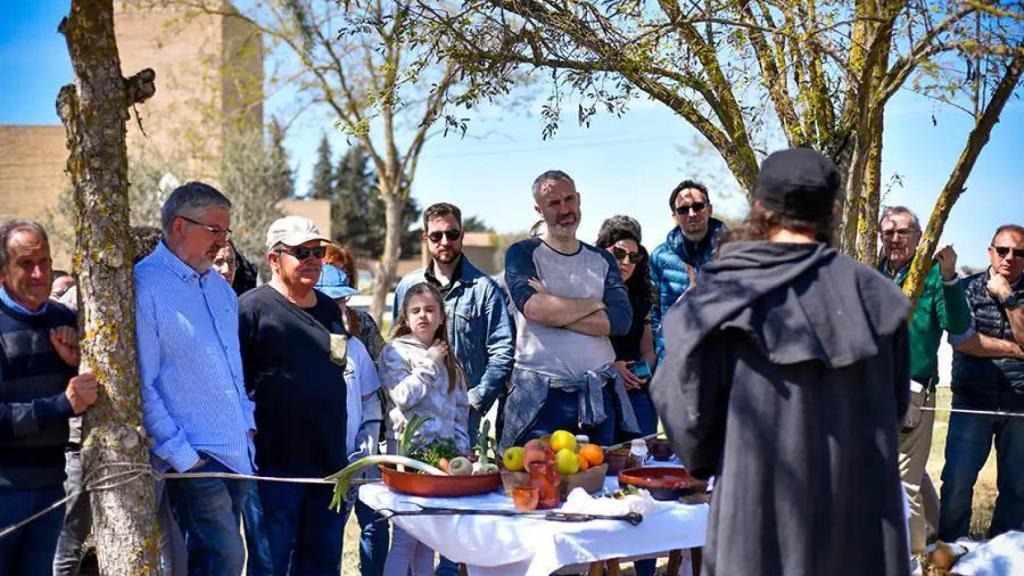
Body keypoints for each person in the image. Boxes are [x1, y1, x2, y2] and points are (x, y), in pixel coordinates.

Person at [652, 148, 911, 576]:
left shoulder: (720, 296)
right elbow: (893, 410)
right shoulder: (876, 296)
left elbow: (686, 414)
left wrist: (714, 459)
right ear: (832, 212)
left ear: (760, 209)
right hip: (856, 515)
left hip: (755, 515)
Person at [135, 182, 255, 576]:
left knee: (218, 561)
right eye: (214, 230)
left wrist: (247, 424)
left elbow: (233, 370)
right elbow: (144, 383)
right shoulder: (144, 285)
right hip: (194, 456)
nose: (223, 243)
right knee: (225, 558)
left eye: (226, 232)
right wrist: (183, 456)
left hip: (237, 450)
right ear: (179, 226)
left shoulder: (221, 290)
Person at [54, 226, 180, 576]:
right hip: (81, 439)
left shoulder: (155, 301)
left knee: (155, 533)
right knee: (69, 536)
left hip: (144, 440)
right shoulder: (82, 301)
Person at [238, 216, 349, 576]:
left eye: (318, 252)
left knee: (322, 566)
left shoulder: (330, 309)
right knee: (271, 567)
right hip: (274, 471)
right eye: (302, 252)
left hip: (329, 466)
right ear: (274, 259)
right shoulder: (250, 309)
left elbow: (336, 369)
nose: (314, 259)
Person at [501, 170, 637, 450]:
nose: (564, 209)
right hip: (541, 399)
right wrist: (596, 303)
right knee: (538, 474)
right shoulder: (522, 254)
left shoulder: (602, 259)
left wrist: (554, 306)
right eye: (553, 203)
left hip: (598, 393)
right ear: (539, 210)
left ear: (579, 199)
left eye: (569, 199)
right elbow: (535, 309)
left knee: (601, 475)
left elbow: (620, 321)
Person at [0, 219, 96, 576]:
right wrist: (61, 404)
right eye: (26, 264)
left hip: (51, 489)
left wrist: (74, 364)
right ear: (2, 272)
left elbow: (89, 395)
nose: (39, 273)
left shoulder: (63, 320)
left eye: (44, 261)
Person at [876, 206, 970, 554]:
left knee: (903, 484)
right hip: (870, 389)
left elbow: (957, 325)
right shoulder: (874, 272)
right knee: (904, 472)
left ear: (919, 237)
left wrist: (948, 276)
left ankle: (911, 559)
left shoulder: (931, 275)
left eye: (903, 232)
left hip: (912, 391)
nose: (895, 239)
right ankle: (934, 537)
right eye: (888, 232)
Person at [393, 203, 514, 445]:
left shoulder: (485, 289)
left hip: (462, 418)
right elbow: (396, 347)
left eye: (452, 234)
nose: (445, 241)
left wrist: (474, 400)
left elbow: (503, 351)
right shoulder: (407, 287)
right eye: (436, 236)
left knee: (460, 469)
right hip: (414, 413)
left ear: (462, 235)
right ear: (426, 238)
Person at [940, 224, 1024, 541]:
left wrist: (1008, 298)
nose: (1009, 257)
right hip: (972, 401)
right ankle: (950, 551)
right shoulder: (967, 288)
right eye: (1002, 250)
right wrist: (1016, 349)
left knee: (1017, 488)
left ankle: (1005, 555)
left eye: (1019, 252)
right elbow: (963, 340)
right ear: (990, 252)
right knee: (957, 482)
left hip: (1019, 405)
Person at [380, 282, 470, 576]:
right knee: (405, 537)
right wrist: (430, 363)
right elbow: (403, 396)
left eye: (430, 310)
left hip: (442, 458)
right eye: (415, 310)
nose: (423, 316)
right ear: (405, 318)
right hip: (407, 454)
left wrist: (463, 453)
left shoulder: (449, 359)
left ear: (441, 317)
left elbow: (459, 411)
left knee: (429, 538)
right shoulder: (395, 351)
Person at [315, 261, 389, 576]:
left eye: (343, 301)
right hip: (316, 466)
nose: (339, 309)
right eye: (331, 301)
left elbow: (370, 399)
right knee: (322, 541)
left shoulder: (355, 347)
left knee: (374, 524)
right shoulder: (296, 345)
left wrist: (367, 445)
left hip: (357, 461)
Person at [649, 180, 727, 364]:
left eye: (698, 206)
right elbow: (653, 313)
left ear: (709, 209)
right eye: (683, 210)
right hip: (676, 359)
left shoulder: (734, 250)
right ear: (675, 216)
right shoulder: (659, 256)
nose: (691, 214)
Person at [594, 216, 657, 438]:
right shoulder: (587, 289)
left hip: (635, 387)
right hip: (600, 386)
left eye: (634, 256)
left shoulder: (642, 292)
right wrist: (612, 367)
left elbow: (648, 350)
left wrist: (640, 372)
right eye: (619, 253)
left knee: (644, 451)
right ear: (603, 250)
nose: (626, 262)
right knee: (603, 454)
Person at [325, 244, 385, 363]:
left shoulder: (362, 322)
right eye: (329, 271)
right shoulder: (301, 321)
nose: (338, 279)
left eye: (344, 274)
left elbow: (383, 364)